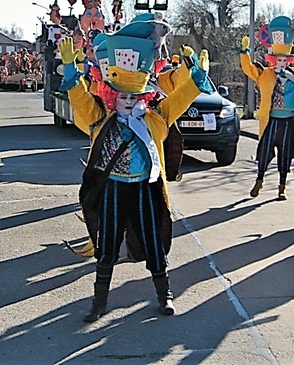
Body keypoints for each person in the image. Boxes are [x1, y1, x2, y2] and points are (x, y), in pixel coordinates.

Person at [58, 19, 211, 322]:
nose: (128, 101)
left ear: (143, 95)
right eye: (122, 96)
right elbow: (80, 100)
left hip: (144, 189)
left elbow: (179, 100)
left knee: (154, 243)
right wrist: (69, 72)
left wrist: (197, 78)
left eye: (133, 96)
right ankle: (99, 302)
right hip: (113, 189)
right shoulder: (100, 117)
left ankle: (164, 295)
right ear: (112, 95)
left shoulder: (155, 118)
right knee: (107, 248)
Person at [239, 15, 294, 200]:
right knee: (264, 152)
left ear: (289, 60)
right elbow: (249, 69)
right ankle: (259, 180)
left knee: (285, 155)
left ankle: (282, 186)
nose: (280, 63)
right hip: (271, 121)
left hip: (288, 122)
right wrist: (244, 53)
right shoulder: (266, 74)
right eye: (277, 59)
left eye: (284, 60)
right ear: (272, 59)